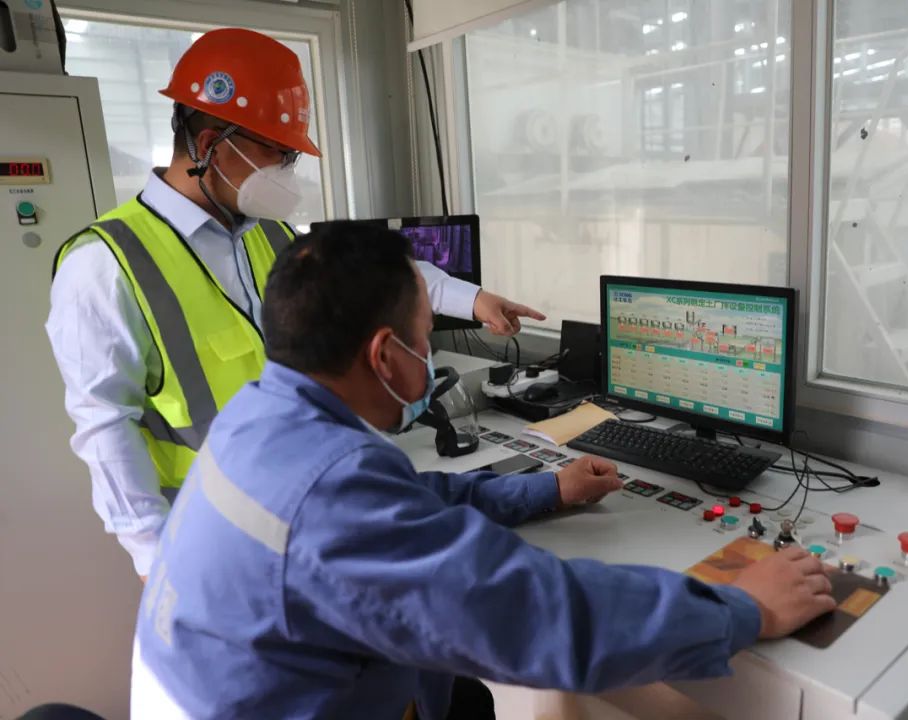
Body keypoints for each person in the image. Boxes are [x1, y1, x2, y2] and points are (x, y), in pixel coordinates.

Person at [130, 222, 837, 719]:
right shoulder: (331, 487)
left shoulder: (257, 417)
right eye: (423, 337)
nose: (428, 355)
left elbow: (406, 499)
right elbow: (537, 615)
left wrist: (546, 488)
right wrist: (744, 607)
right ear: (385, 356)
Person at [45, 28, 543, 580]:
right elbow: (104, 425)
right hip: (209, 538)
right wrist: (154, 555)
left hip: (303, 508)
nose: (287, 169)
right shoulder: (104, 264)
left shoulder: (269, 234)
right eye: (277, 153)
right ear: (210, 145)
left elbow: (370, 275)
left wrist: (473, 299)